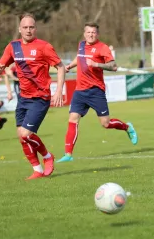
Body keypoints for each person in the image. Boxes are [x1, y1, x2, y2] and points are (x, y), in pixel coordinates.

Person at [0, 13, 66, 180]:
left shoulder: (44, 46)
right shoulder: (13, 47)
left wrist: (58, 90)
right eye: (25, 27)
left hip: (40, 98)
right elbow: (0, 65)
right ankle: (37, 170)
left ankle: (48, 156)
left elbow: (60, 67)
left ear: (35, 28)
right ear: (19, 29)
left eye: (31, 27)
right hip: (23, 98)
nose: (28, 30)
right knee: (22, 137)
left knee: (26, 134)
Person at [57, 22, 137, 163]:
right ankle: (68, 154)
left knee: (105, 123)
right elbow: (79, 57)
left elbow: (114, 66)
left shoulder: (103, 47)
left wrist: (96, 64)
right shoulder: (81, 45)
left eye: (93, 32)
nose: (91, 34)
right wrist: (70, 65)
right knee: (72, 119)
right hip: (80, 91)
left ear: (97, 34)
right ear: (84, 33)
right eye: (88, 32)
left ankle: (127, 127)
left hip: (96, 91)